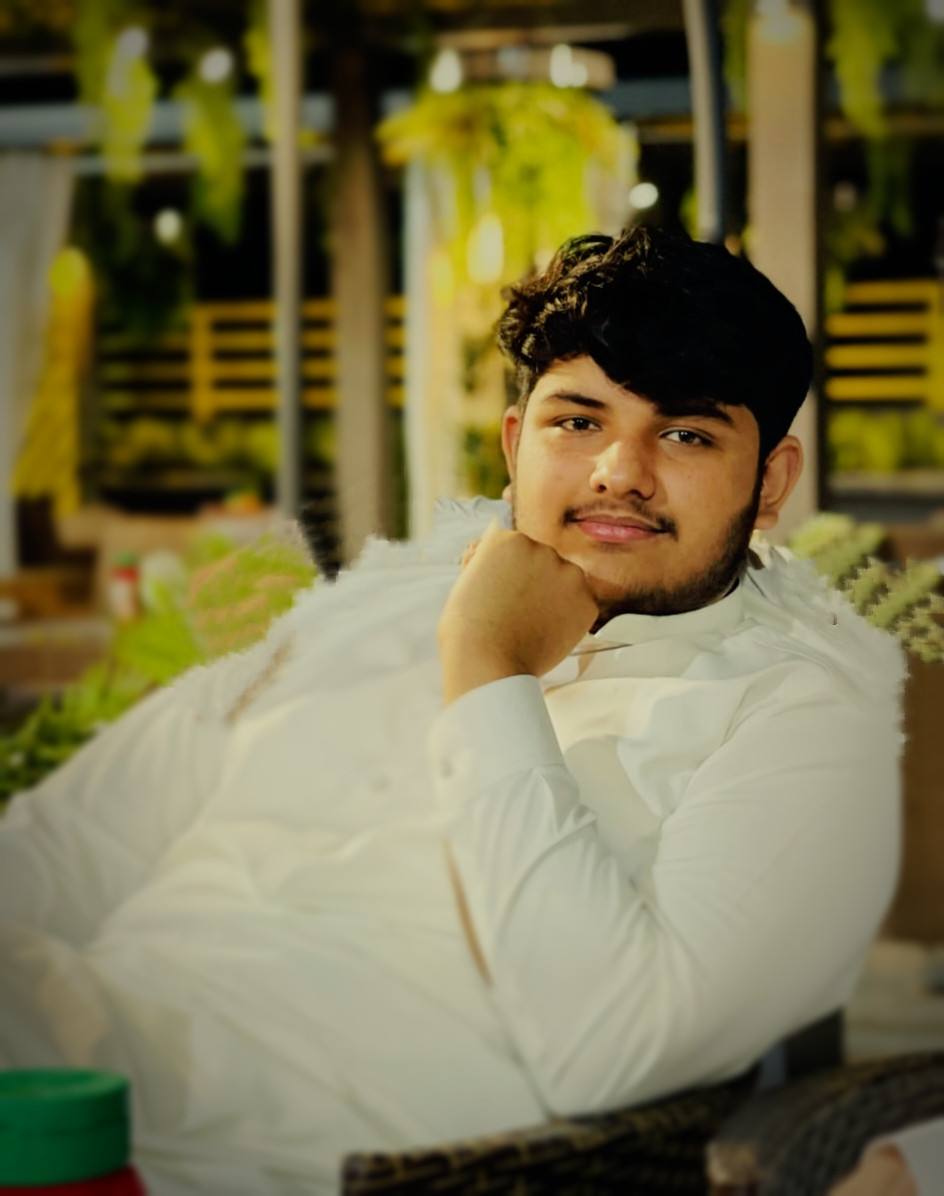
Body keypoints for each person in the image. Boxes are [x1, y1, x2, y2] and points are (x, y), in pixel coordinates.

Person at [0, 228, 905, 1195]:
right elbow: (64, 845)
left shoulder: (795, 719)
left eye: (685, 435)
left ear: (770, 483)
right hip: (52, 1075)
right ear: (515, 444)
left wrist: (488, 666)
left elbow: (612, 1051)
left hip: (244, 1168)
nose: (619, 471)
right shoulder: (372, 604)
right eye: (578, 421)